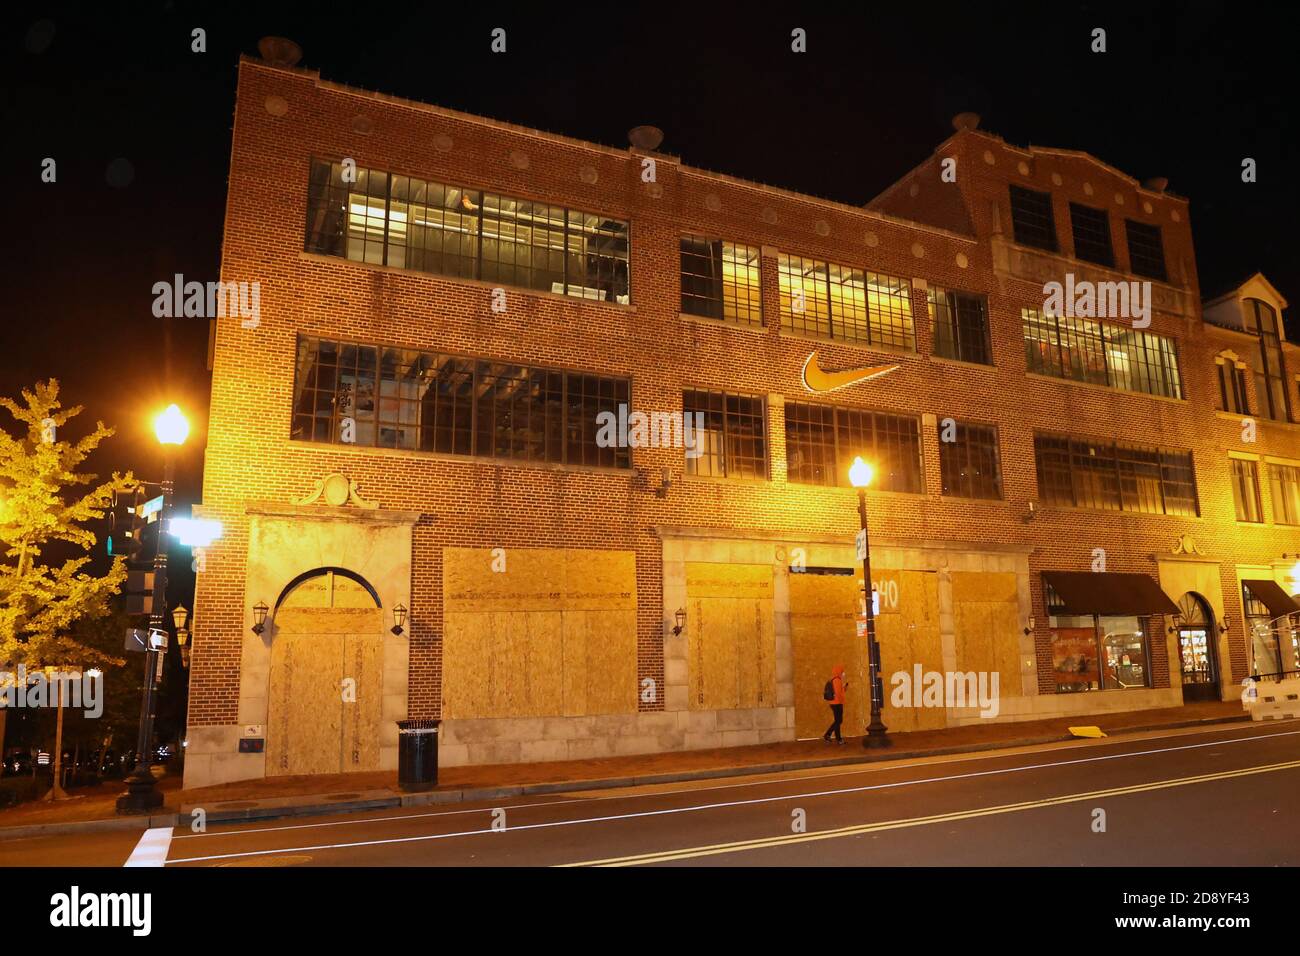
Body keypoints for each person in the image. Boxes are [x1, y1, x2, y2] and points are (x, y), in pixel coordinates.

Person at [823, 663, 847, 744]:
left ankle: (836, 738)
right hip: (837, 703)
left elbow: (839, 691)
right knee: (838, 721)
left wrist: (843, 687)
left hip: (834, 703)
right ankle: (830, 735)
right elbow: (838, 693)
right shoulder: (837, 680)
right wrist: (842, 701)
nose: (843, 673)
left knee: (838, 721)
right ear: (838, 671)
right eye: (842, 671)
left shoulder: (834, 679)